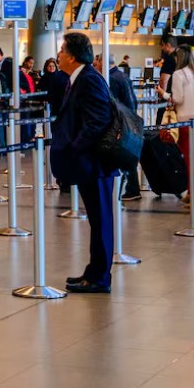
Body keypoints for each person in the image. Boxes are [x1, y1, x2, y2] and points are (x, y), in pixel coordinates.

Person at [50, 32, 116, 294]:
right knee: (97, 220)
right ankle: (93, 271)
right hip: (90, 163)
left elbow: (98, 121)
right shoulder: (78, 79)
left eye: (63, 50)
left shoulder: (89, 80)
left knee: (101, 221)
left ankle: (100, 277)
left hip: (96, 163)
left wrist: (76, 147)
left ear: (73, 56)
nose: (59, 55)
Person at [160, 43, 194, 206]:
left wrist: (163, 94)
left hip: (186, 122)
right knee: (191, 157)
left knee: (190, 158)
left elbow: (178, 99)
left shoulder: (179, 74)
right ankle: (192, 192)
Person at [101, 55, 139, 202]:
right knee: (127, 154)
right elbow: (132, 100)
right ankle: (131, 188)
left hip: (120, 122)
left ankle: (131, 188)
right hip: (128, 120)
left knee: (119, 154)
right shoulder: (122, 75)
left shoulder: (111, 79)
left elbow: (114, 102)